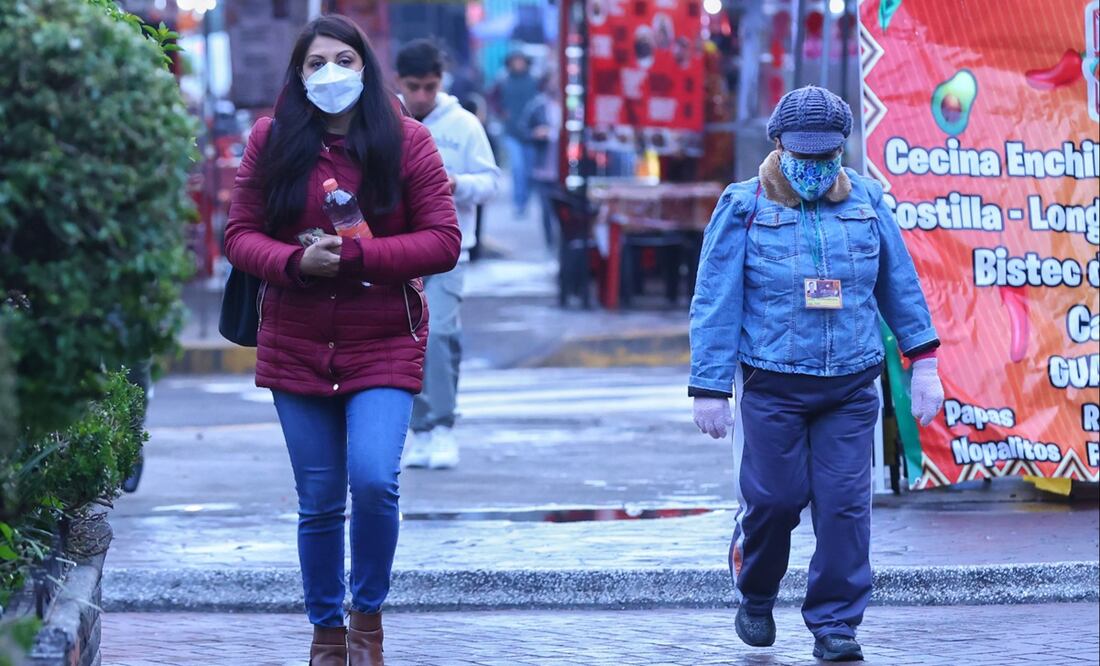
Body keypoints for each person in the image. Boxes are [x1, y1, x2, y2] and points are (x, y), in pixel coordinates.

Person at [223, 15, 460, 666]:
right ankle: (327, 634)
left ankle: (367, 620)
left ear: (366, 68)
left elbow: (443, 241)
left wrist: (357, 259)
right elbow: (239, 235)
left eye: (345, 60)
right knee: (321, 500)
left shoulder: (407, 141)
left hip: (383, 336)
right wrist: (297, 264)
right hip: (295, 341)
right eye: (317, 63)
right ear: (299, 76)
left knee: (374, 480)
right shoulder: (272, 141)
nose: (332, 73)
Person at [688, 85, 944, 662]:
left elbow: (899, 285)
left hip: (850, 387)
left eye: (825, 154)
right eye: (802, 153)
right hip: (772, 384)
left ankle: (835, 625)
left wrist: (923, 360)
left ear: (841, 149)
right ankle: (755, 591)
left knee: (845, 509)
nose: (814, 165)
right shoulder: (743, 206)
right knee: (775, 502)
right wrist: (708, 386)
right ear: (778, 144)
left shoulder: (868, 203)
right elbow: (715, 301)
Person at [395, 39, 500, 469]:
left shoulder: (463, 125)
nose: (422, 96)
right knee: (409, 340)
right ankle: (419, 430)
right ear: (398, 82)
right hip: (398, 251)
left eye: (430, 86)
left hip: (450, 249)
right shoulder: (387, 121)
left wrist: (458, 183)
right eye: (414, 87)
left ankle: (441, 426)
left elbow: (491, 181)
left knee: (437, 336)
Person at [494, 51, 539, 218]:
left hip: (530, 133)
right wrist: (501, 112)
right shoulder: (503, 81)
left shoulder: (534, 81)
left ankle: (526, 200)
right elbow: (493, 99)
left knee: (529, 171)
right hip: (511, 132)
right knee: (518, 168)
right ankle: (519, 203)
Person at [521, 69, 562, 248]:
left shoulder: (573, 106)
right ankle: (550, 243)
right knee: (546, 209)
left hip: (565, 168)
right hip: (543, 166)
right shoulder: (538, 106)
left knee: (561, 211)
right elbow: (523, 130)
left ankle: (561, 244)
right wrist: (535, 133)